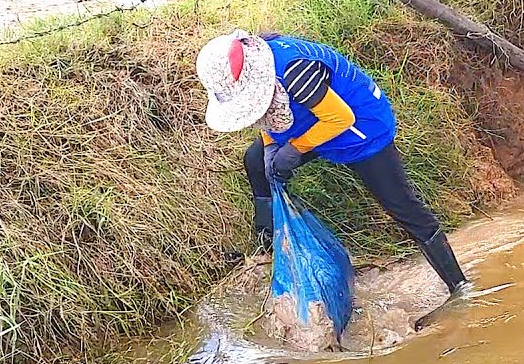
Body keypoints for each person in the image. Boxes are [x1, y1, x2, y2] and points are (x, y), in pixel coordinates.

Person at [195, 29, 471, 309]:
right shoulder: (258, 65)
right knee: (255, 162)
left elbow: (340, 118)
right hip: (313, 123)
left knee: (402, 206)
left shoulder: (296, 73)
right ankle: (270, 246)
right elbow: (264, 117)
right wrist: (269, 147)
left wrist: (294, 150)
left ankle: (459, 285)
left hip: (359, 129)